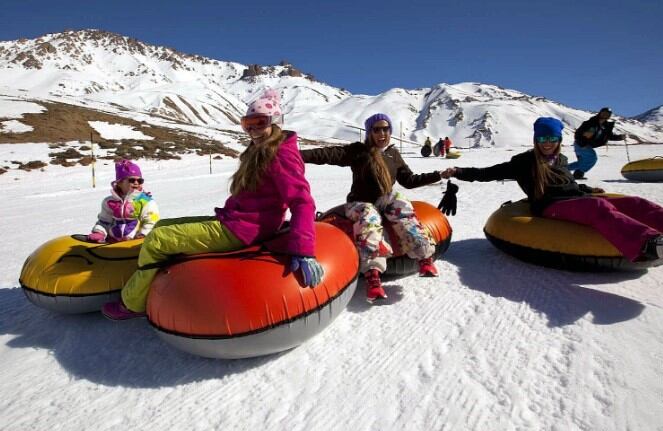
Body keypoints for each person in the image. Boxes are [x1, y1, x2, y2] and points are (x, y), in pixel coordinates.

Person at [102, 89, 324, 320]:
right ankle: (146, 278)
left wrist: (303, 250)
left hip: (244, 230)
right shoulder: (260, 150)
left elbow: (302, 202)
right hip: (236, 221)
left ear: (275, 122)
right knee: (161, 227)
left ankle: (132, 303)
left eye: (259, 122)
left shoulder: (281, 154)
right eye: (246, 123)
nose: (252, 129)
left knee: (158, 240)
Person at [441, 117, 663, 263]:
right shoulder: (524, 162)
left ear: (559, 140)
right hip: (550, 206)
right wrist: (459, 171)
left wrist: (586, 188)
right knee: (597, 206)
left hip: (576, 198)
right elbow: (487, 173)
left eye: (552, 138)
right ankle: (648, 244)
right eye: (542, 139)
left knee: (635, 203)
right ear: (536, 140)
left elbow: (569, 186)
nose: (547, 143)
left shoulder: (562, 159)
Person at [301, 113, 443, 303]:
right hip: (359, 203)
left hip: (384, 201)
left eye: (386, 129)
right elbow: (327, 154)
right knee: (369, 216)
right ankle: (373, 276)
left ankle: (424, 257)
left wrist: (438, 175)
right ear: (369, 132)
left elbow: (409, 180)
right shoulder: (359, 151)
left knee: (400, 201)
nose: (382, 133)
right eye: (377, 129)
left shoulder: (393, 155)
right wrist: (297, 155)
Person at [88, 159, 160, 243]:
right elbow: (104, 221)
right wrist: (99, 232)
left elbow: (152, 221)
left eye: (140, 181)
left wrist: (143, 234)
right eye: (132, 180)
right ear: (119, 183)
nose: (136, 183)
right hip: (113, 241)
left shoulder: (146, 201)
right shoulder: (110, 202)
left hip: (136, 241)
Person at [568, 107, 626, 179]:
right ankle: (578, 173)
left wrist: (620, 137)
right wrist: (582, 144)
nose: (605, 115)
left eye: (607, 114)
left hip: (586, 145)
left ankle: (563, 170)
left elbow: (609, 136)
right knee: (592, 158)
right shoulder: (590, 123)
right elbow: (578, 134)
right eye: (604, 113)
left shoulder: (606, 126)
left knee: (582, 162)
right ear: (600, 113)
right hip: (580, 144)